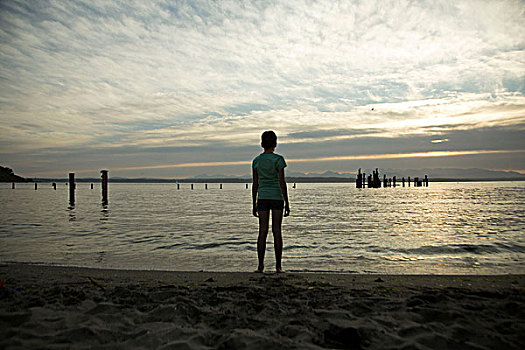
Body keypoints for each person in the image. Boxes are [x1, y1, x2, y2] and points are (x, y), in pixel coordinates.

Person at [252, 130, 290, 273]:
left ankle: (260, 266)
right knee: (277, 231)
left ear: (262, 143)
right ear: (275, 143)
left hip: (262, 197)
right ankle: (278, 266)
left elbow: (255, 184)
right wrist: (287, 202)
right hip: (277, 198)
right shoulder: (278, 160)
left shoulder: (256, 161)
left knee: (262, 231)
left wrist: (253, 202)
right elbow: (282, 182)